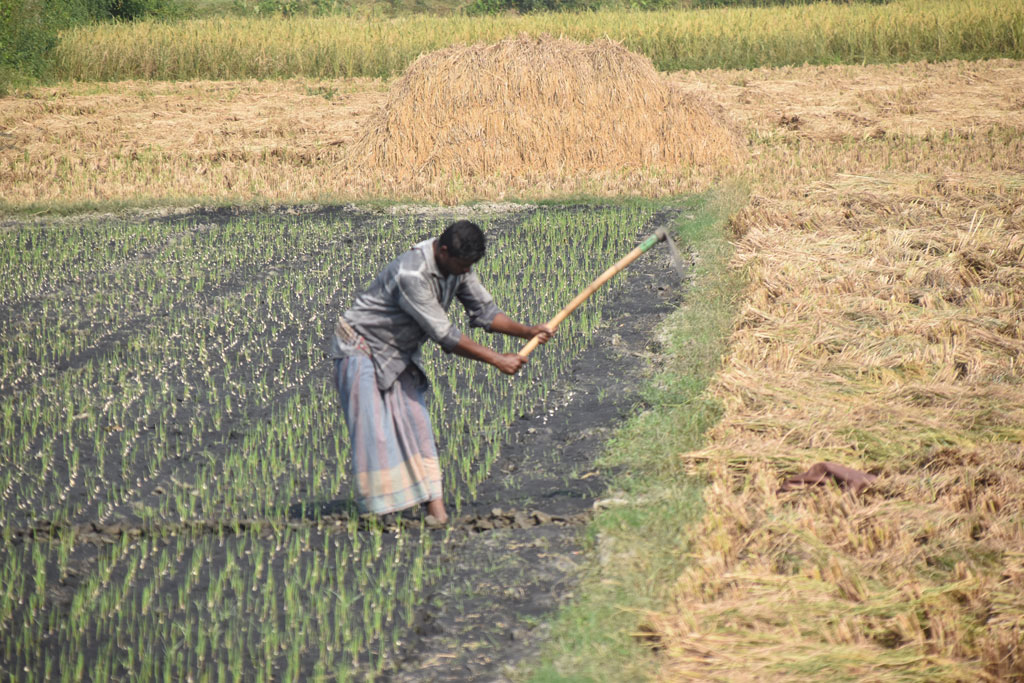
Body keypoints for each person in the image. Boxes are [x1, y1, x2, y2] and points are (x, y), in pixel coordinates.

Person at [330, 220, 553, 525]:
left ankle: (437, 513)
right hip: (361, 347)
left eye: (469, 266)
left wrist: (527, 331)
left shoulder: (458, 266)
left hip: (399, 351)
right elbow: (445, 335)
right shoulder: (412, 274)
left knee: (418, 424)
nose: (465, 272)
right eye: (462, 265)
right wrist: (498, 360)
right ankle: (381, 514)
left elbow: (485, 312)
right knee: (374, 432)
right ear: (443, 251)